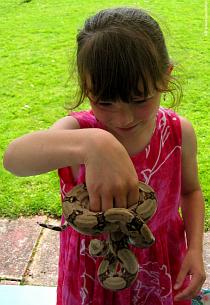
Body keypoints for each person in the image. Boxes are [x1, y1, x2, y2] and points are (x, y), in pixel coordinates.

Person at [3, 7, 206, 305]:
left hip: (160, 264)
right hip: (89, 272)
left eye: (139, 100)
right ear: (87, 88)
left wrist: (195, 249)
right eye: (105, 102)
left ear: (166, 76)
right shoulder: (78, 132)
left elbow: (191, 192)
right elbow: (14, 158)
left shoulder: (177, 133)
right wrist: (93, 142)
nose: (123, 118)